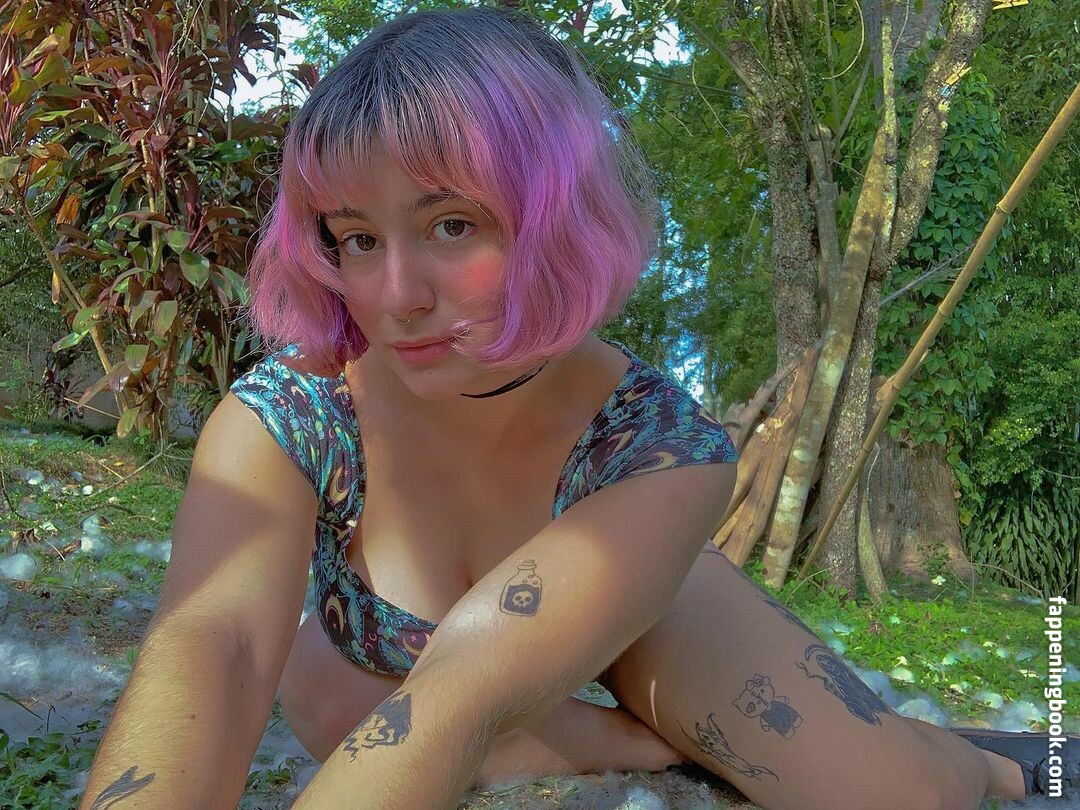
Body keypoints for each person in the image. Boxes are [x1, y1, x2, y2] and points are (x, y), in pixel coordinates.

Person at [79, 5, 1076, 809]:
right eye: (358, 238)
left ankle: (988, 761)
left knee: (894, 794)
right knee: (341, 696)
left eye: (451, 225)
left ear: (559, 220)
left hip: (631, 607)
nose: (396, 294)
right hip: (368, 676)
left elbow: (457, 693)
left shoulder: (661, 450)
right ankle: (611, 738)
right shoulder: (289, 418)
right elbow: (209, 644)